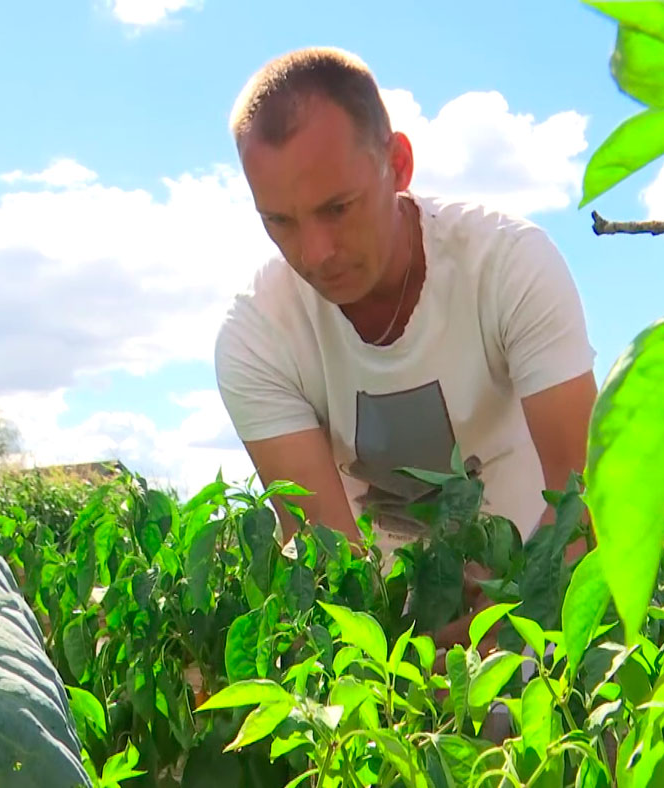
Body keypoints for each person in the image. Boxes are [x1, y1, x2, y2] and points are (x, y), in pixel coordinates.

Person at [213, 45, 596, 644]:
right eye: (280, 222)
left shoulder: (507, 267)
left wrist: (502, 637)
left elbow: (585, 499)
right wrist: (411, 667)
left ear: (397, 163)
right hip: (387, 665)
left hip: (551, 636)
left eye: (337, 209)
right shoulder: (258, 338)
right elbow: (334, 571)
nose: (316, 253)